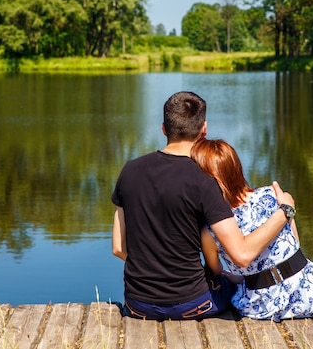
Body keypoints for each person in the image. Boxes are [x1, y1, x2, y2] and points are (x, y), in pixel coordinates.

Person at [111, 91, 296, 320]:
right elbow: (242, 254)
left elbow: (118, 248)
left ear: (164, 129)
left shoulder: (129, 171)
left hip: (138, 304)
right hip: (193, 304)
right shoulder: (205, 180)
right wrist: (284, 212)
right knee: (237, 284)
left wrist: (151, 270)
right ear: (204, 129)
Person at [191, 138, 313, 322]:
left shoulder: (211, 231)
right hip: (310, 291)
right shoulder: (273, 195)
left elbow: (216, 270)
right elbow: (295, 244)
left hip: (265, 304)